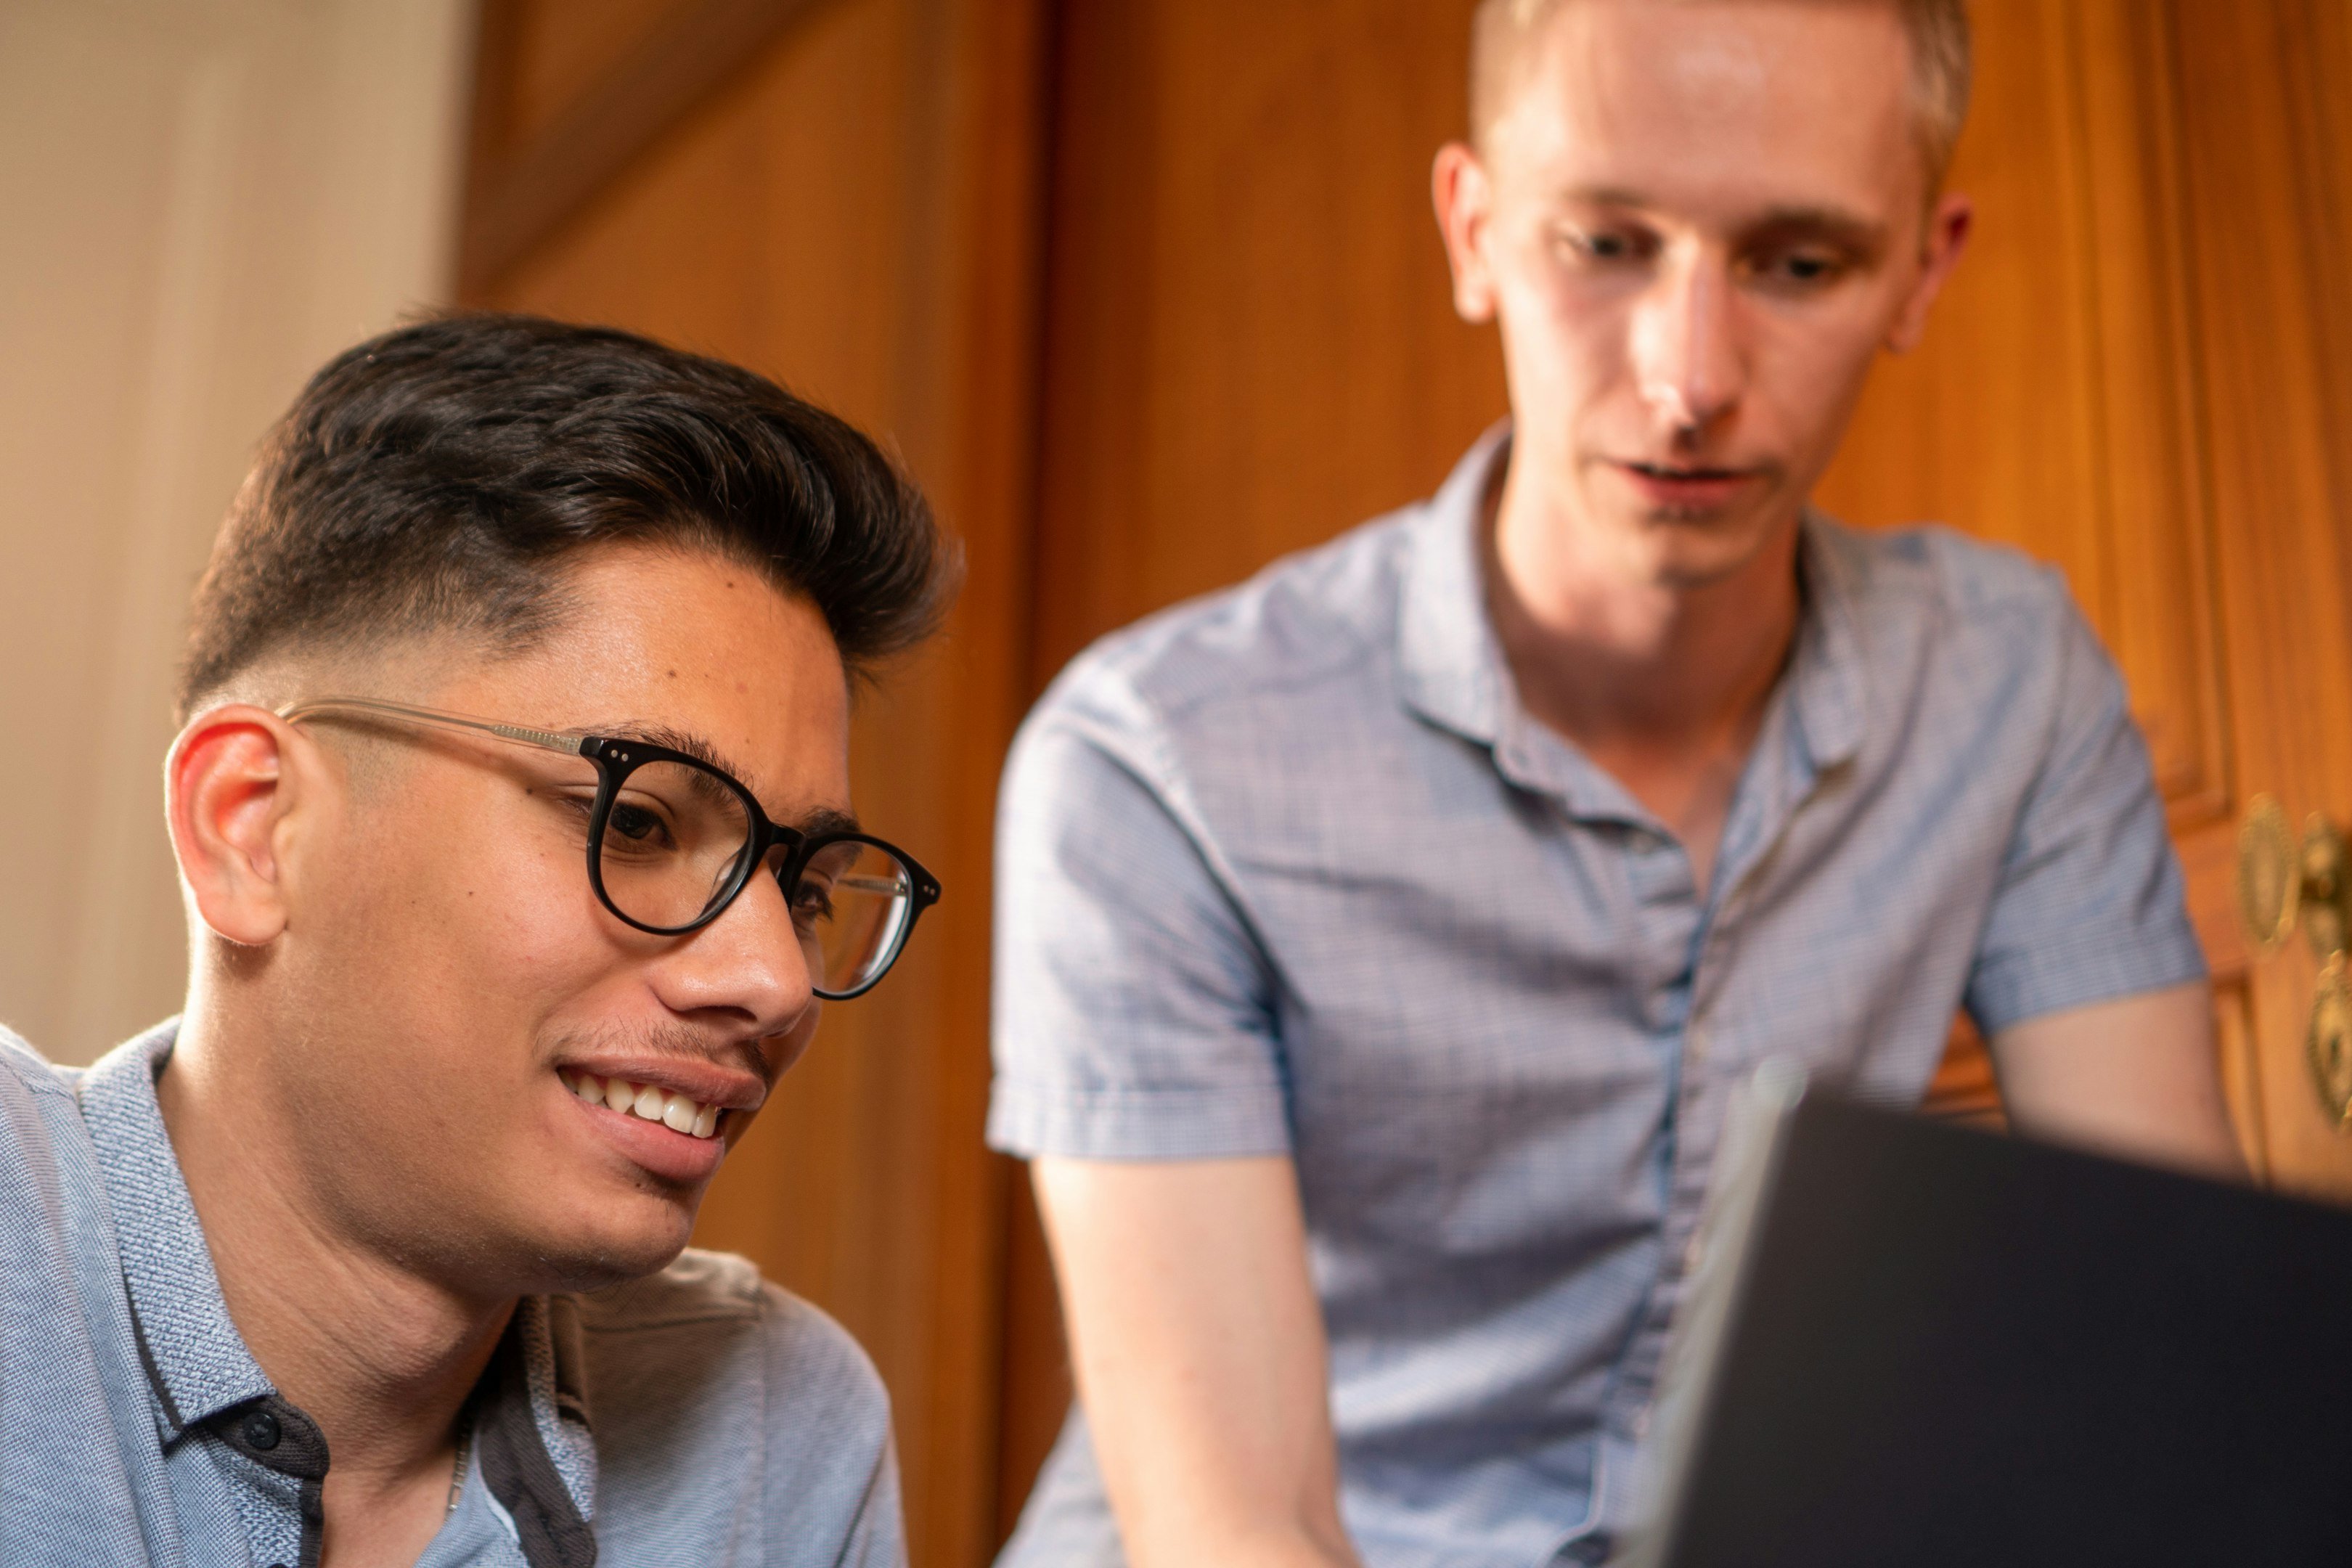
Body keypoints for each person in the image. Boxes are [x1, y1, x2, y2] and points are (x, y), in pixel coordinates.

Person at [987, 2, 2245, 1565]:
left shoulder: (2011, 682)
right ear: (1474, 231)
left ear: (1927, 264)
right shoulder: (1149, 764)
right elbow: (1240, 1537)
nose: (1689, 378)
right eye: (1605, 244)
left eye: (1799, 263)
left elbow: (2179, 1360)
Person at [0, 314, 952, 1567]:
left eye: (804, 886)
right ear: (253, 831)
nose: (774, 982)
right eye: (641, 821)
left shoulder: (774, 1433)